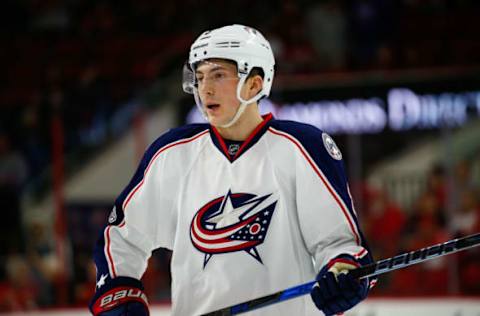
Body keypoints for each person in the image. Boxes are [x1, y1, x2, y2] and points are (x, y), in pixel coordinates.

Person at [89, 24, 375, 316]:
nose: (205, 88)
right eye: (199, 77)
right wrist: (118, 292)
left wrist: (342, 275)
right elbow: (121, 236)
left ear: (254, 84)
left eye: (218, 75)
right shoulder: (172, 153)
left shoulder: (303, 146)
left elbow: (339, 244)